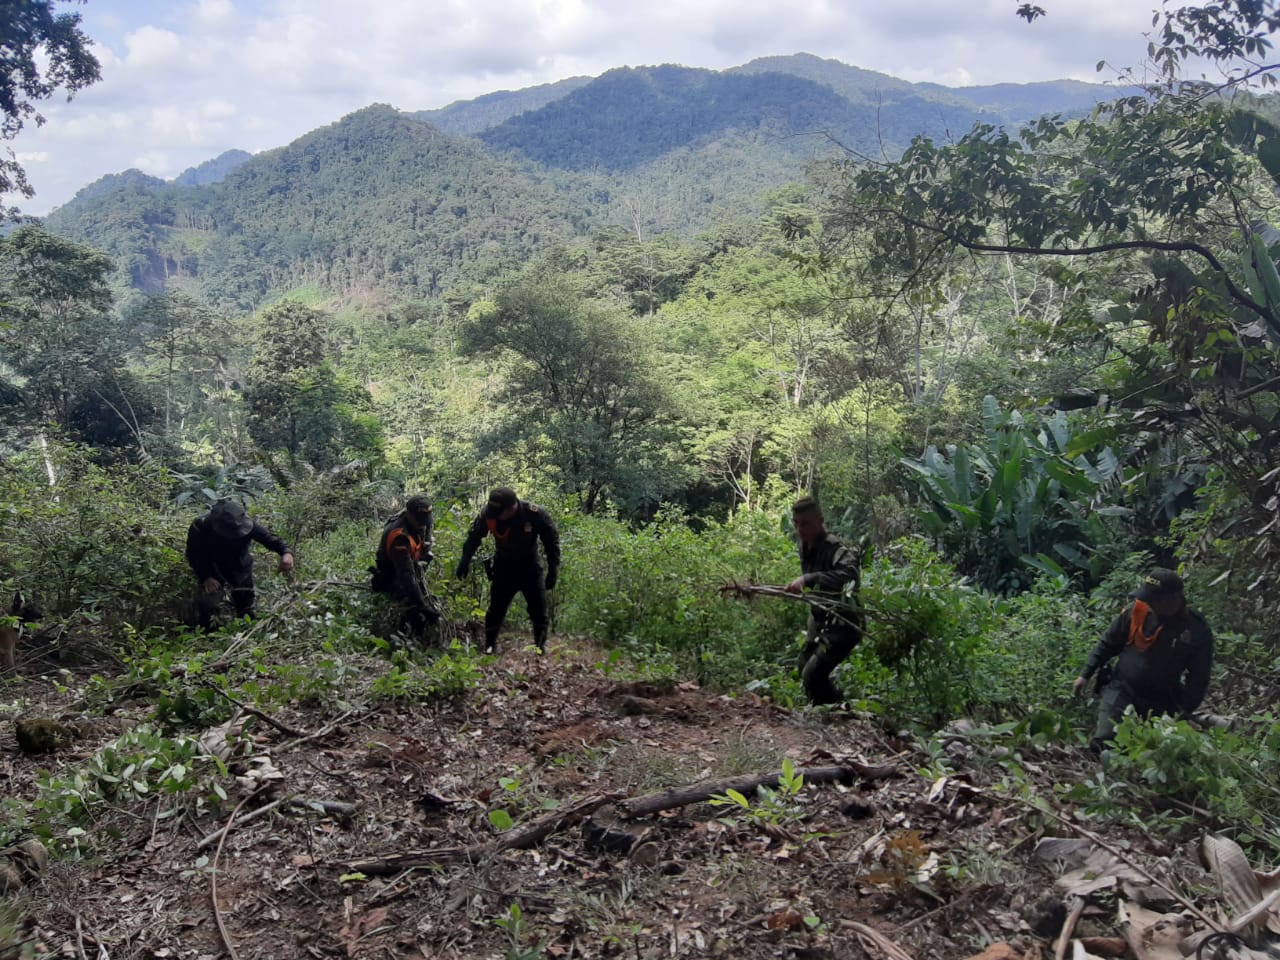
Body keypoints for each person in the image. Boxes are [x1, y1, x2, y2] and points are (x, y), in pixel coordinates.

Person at [1073, 568, 1214, 752]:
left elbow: (1199, 677)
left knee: (1147, 751)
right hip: (1123, 688)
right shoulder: (1136, 611)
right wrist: (1085, 674)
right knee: (1105, 742)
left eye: (1154, 599)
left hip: (1162, 699)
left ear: (1174, 599)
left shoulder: (1196, 629)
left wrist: (1184, 711)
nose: (1148, 603)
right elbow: (1108, 644)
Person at [455, 487, 560, 655]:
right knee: (495, 611)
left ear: (512, 508)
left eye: (500, 512)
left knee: (539, 611)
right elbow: (474, 536)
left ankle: (540, 649)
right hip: (504, 568)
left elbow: (551, 541)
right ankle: (489, 648)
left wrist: (553, 568)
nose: (496, 516)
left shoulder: (534, 514)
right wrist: (465, 560)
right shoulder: (489, 514)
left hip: (530, 568)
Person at [787, 496, 863, 706]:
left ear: (820, 521)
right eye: (796, 523)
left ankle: (839, 712)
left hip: (843, 623)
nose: (800, 529)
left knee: (813, 675)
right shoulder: (804, 545)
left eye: (805, 523)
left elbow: (850, 573)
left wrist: (809, 579)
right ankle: (831, 707)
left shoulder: (835, 548)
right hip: (820, 620)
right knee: (803, 667)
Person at [186, 500, 293, 630]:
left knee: (246, 605)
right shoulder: (200, 526)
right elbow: (194, 554)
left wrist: (286, 553)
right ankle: (209, 635)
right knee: (209, 605)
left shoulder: (249, 525)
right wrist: (206, 576)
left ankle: (247, 633)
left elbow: (270, 539)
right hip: (212, 568)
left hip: (240, 568)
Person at [370, 494, 439, 644]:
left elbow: (426, 542)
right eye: (419, 522)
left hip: (412, 561)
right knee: (408, 599)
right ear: (408, 515)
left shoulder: (423, 520)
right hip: (391, 569)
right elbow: (406, 575)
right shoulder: (399, 536)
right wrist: (422, 607)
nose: (423, 525)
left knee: (421, 590)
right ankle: (406, 638)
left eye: (425, 521)